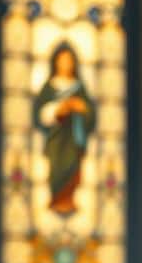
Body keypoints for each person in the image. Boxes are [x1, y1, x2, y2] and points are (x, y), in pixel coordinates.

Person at [33, 41, 97, 216]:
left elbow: (91, 112)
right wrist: (58, 110)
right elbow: (38, 113)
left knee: (73, 169)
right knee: (57, 169)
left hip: (74, 139)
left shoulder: (78, 87)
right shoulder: (50, 86)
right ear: (56, 63)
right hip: (56, 138)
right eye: (62, 61)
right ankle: (57, 199)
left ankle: (68, 200)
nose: (66, 64)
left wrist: (81, 107)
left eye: (69, 61)